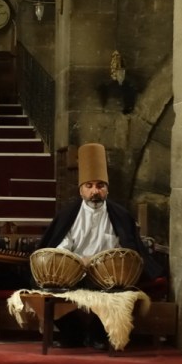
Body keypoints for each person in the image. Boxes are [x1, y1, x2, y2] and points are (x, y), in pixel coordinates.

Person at [38, 142, 163, 348]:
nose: (95, 191)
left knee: (122, 290)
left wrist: (104, 263)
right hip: (73, 273)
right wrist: (79, 261)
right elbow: (59, 248)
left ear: (107, 189)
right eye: (89, 186)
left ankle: (99, 335)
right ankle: (73, 334)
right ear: (81, 190)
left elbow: (127, 251)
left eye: (100, 186)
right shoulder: (68, 215)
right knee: (47, 289)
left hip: (108, 275)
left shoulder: (120, 215)